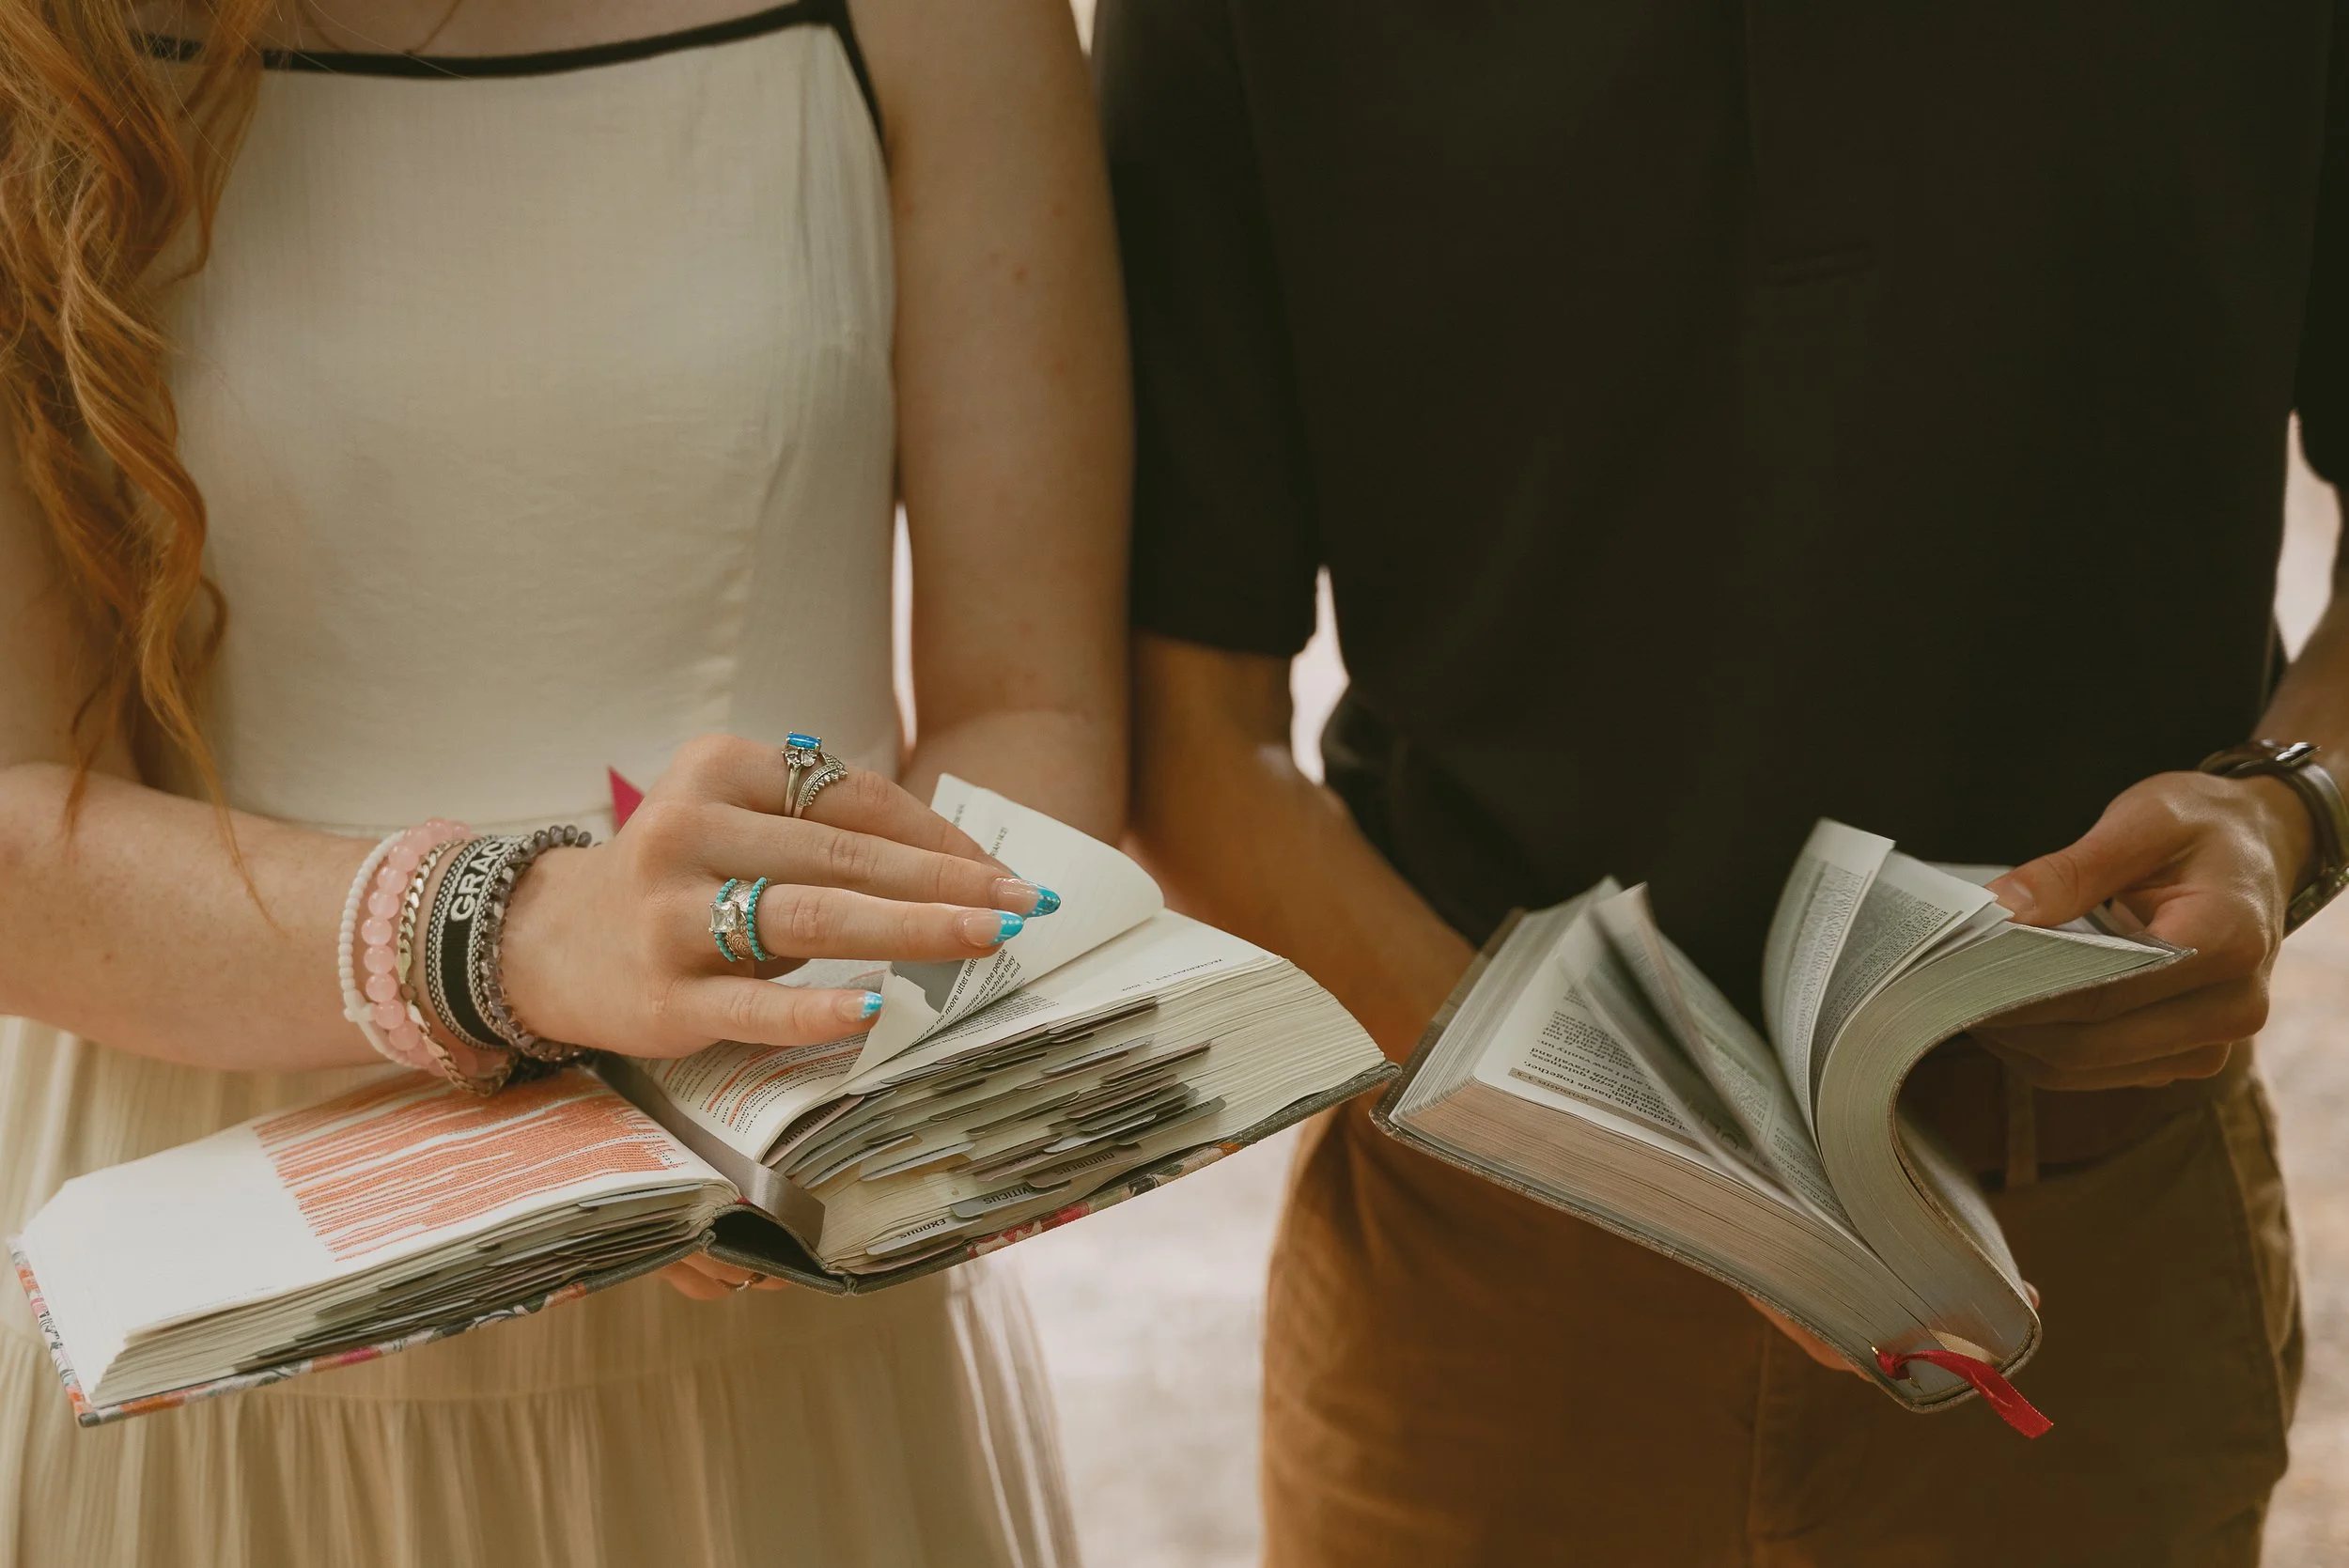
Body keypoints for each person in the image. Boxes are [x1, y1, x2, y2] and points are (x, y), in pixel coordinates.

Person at [1099, 1, 2347, 1562]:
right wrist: (1616, 1152)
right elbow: (1185, 736)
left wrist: (2294, 801)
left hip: (2081, 1253)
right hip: (1483, 1293)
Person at [0, 0, 1127, 1562]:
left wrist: (837, 1076)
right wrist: (521, 939)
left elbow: (1036, 701)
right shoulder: (43, 49)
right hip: (219, 1309)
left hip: (783, 1275)